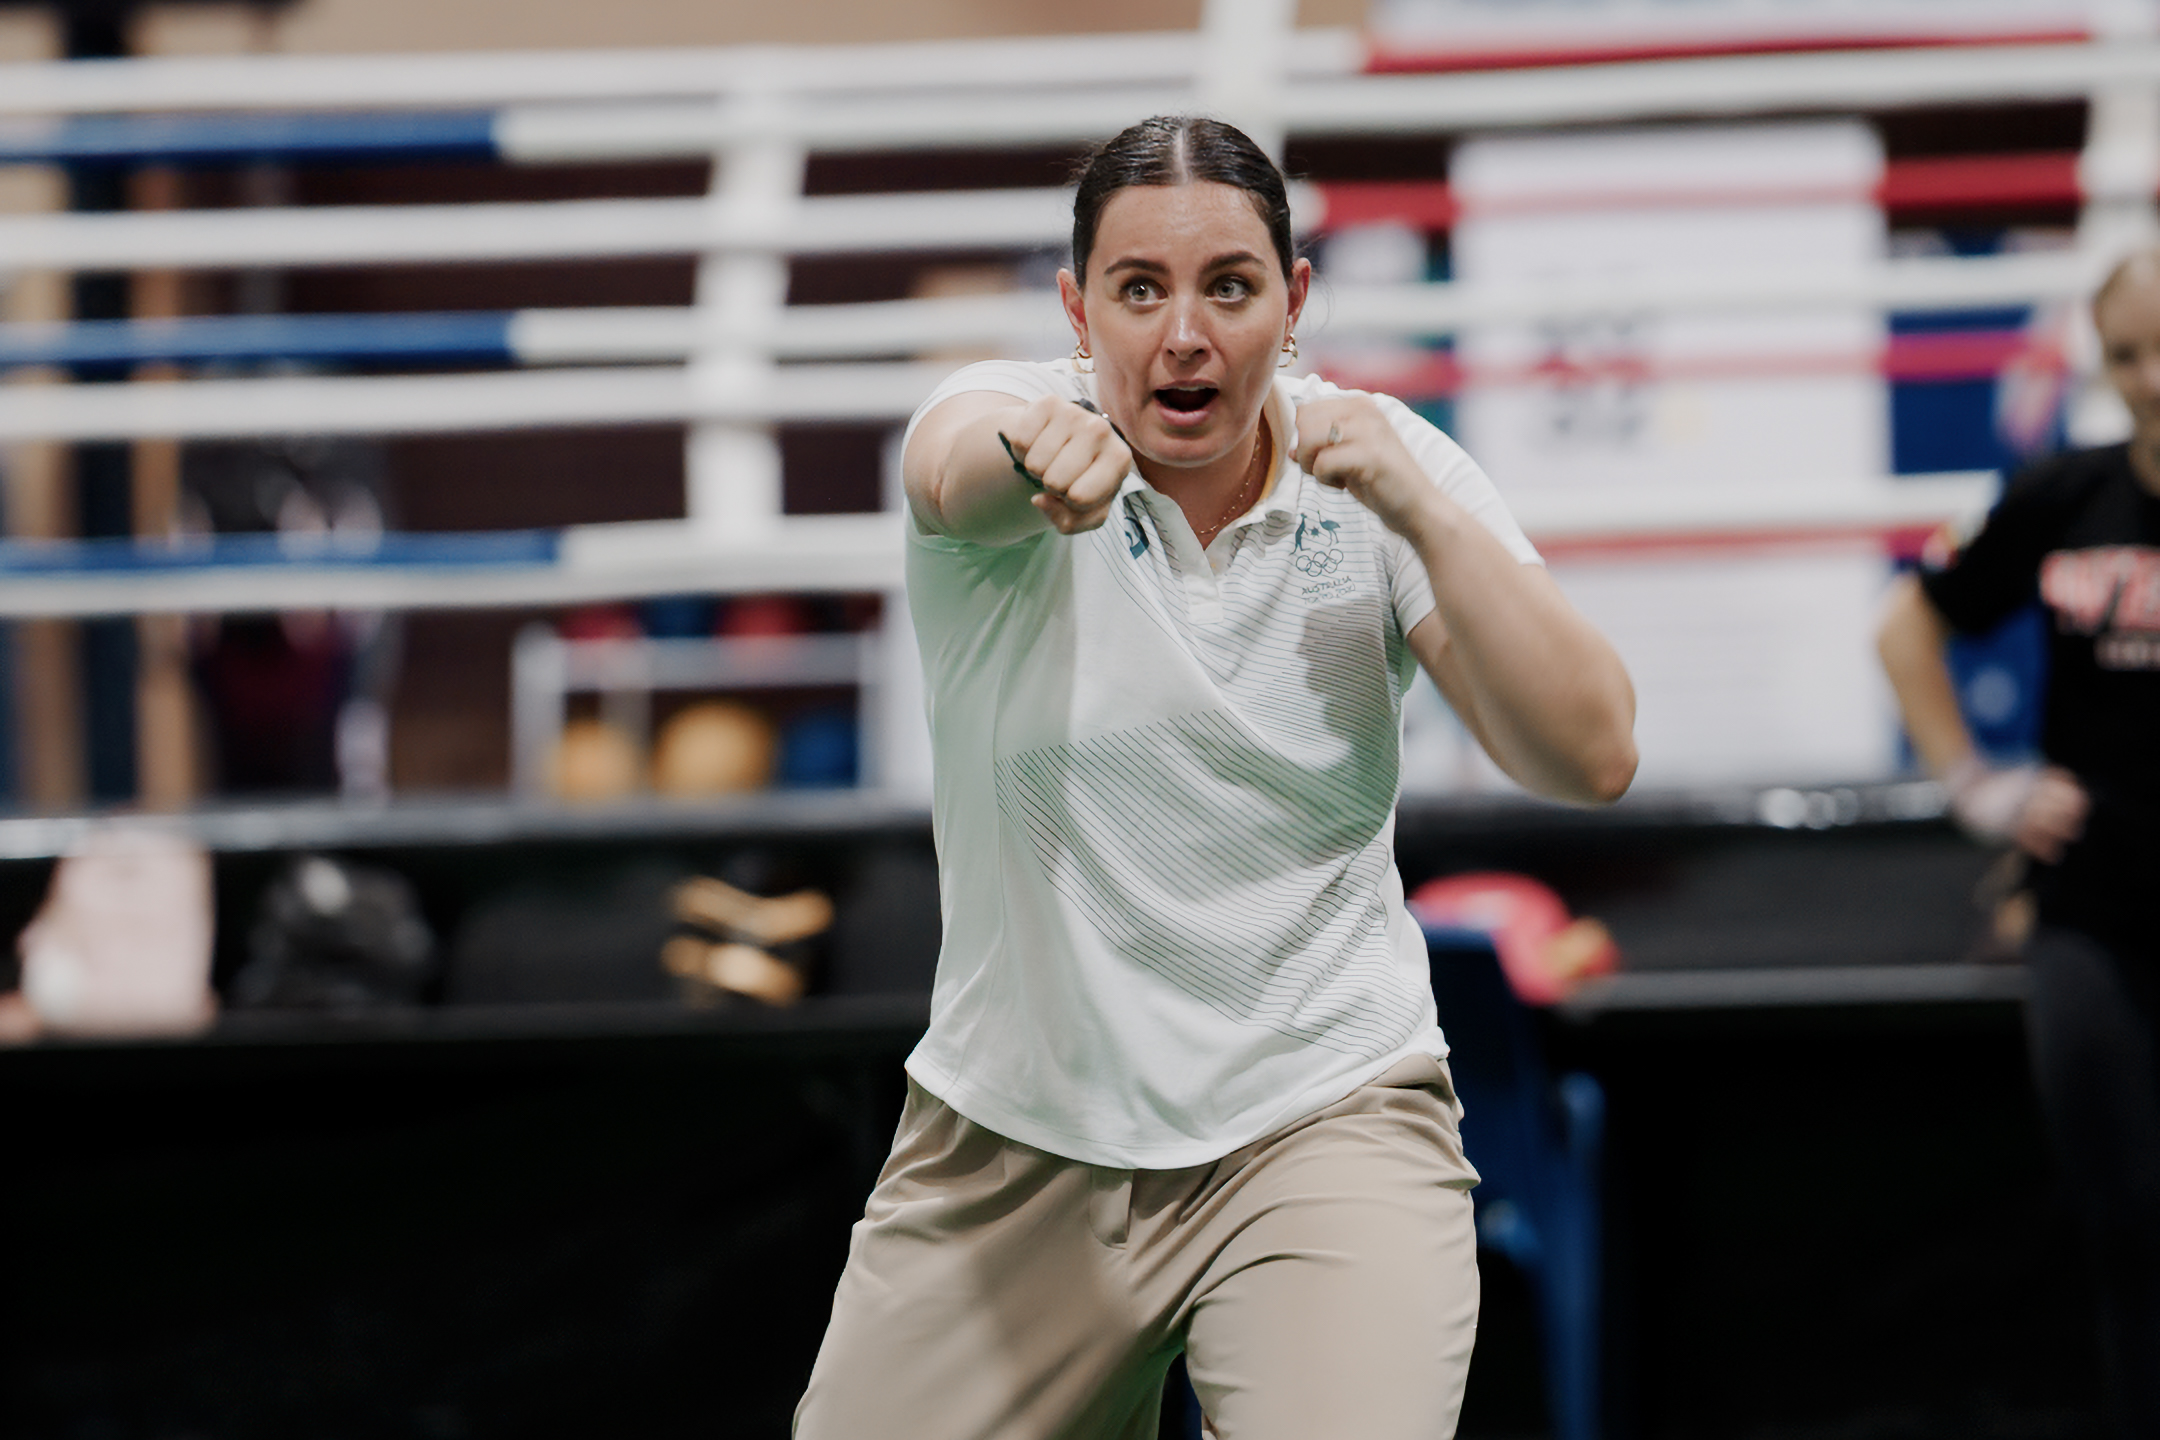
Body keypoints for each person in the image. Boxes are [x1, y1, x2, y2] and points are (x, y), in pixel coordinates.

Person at [795, 115, 1637, 1440]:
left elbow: (1589, 753)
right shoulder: (999, 426)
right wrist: (1031, 459)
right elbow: (954, 475)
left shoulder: (1382, 468)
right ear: (1079, 309)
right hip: (1017, 1141)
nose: (1184, 334)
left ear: (1291, 303)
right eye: (1140, 289)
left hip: (1321, 1121)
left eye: (1228, 286)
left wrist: (1423, 512)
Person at [1878, 249, 2160, 1440]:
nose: (2155, 378)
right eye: (2133, 352)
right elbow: (1906, 626)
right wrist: (1978, 789)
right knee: (2130, 1225)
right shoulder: (2062, 497)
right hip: (2093, 916)